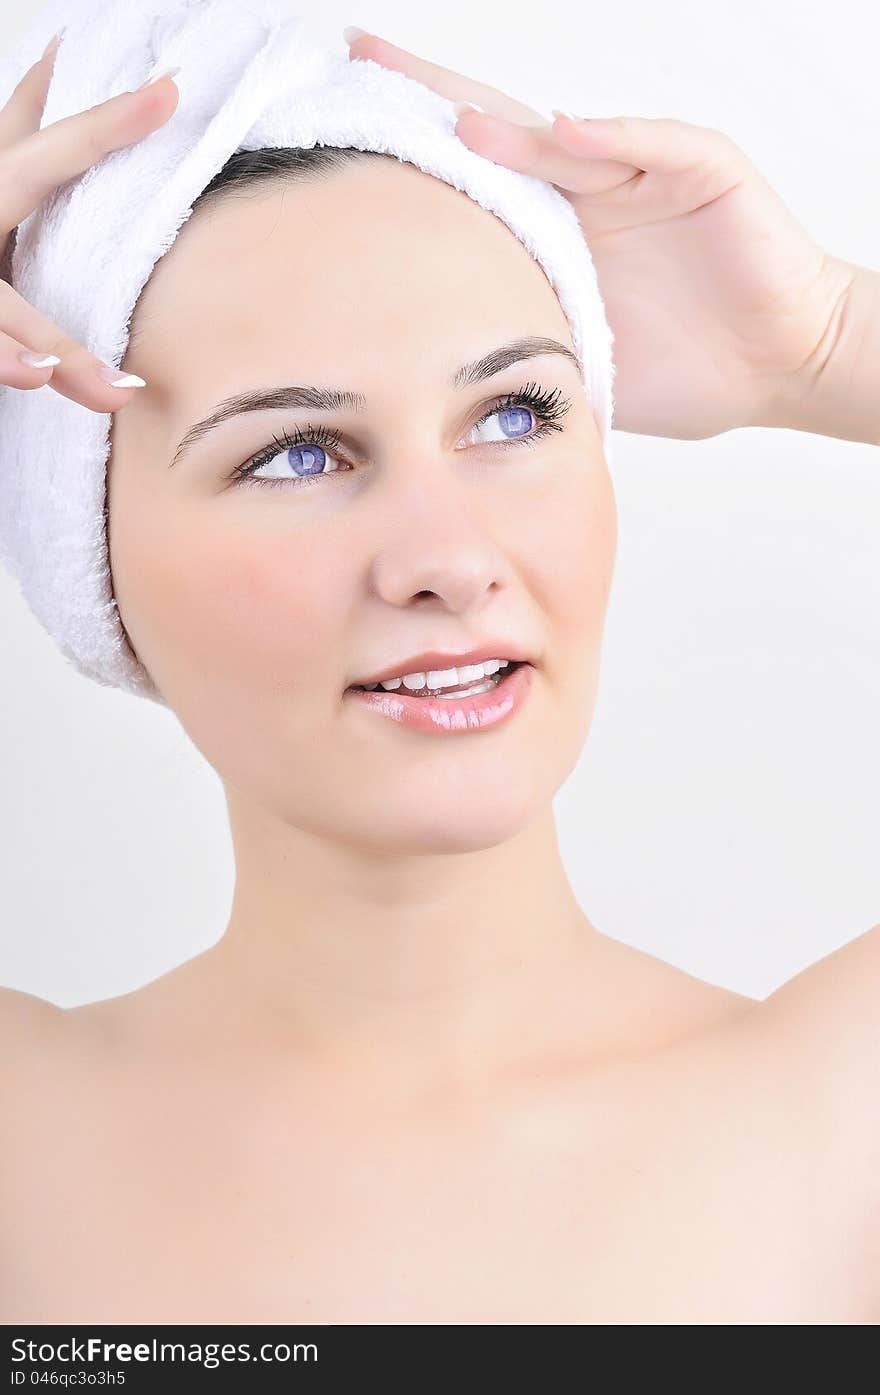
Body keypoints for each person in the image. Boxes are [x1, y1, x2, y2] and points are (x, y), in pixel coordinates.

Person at [0, 29, 877, 1325]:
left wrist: (824, 348)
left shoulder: (844, 1118)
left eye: (517, 415)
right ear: (92, 544)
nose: (450, 560)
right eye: (298, 452)